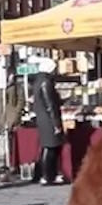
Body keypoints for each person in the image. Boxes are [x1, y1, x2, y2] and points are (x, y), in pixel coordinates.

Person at [32, 58, 65, 186]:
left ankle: (48, 174)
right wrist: (56, 123)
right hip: (48, 120)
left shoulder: (38, 81)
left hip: (43, 119)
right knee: (51, 147)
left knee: (49, 147)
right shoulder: (46, 82)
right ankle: (47, 175)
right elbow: (50, 104)